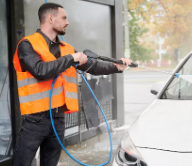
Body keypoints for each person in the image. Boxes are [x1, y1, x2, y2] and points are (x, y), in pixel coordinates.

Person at [12, 3, 132, 166]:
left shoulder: (67, 49)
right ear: (50, 19)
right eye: (64, 18)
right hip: (34, 121)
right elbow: (40, 70)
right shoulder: (27, 44)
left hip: (58, 120)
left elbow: (92, 66)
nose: (67, 22)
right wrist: (71, 58)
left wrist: (116, 67)